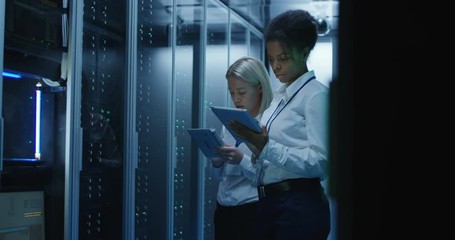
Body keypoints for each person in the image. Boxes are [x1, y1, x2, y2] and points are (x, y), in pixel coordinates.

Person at [229, 9, 331, 240]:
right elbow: (270, 156)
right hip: (270, 202)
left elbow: (321, 163)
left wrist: (265, 147)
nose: (275, 66)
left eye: (283, 58)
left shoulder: (315, 96)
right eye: (271, 58)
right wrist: (255, 147)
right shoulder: (277, 99)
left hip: (298, 205)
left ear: (304, 53)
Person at [209, 56, 273, 240]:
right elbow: (221, 177)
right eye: (231, 92)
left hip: (252, 210)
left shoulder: (269, 124)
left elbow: (268, 178)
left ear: (260, 87)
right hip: (223, 209)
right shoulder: (229, 122)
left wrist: (241, 160)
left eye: (241, 92)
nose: (236, 98)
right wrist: (217, 163)